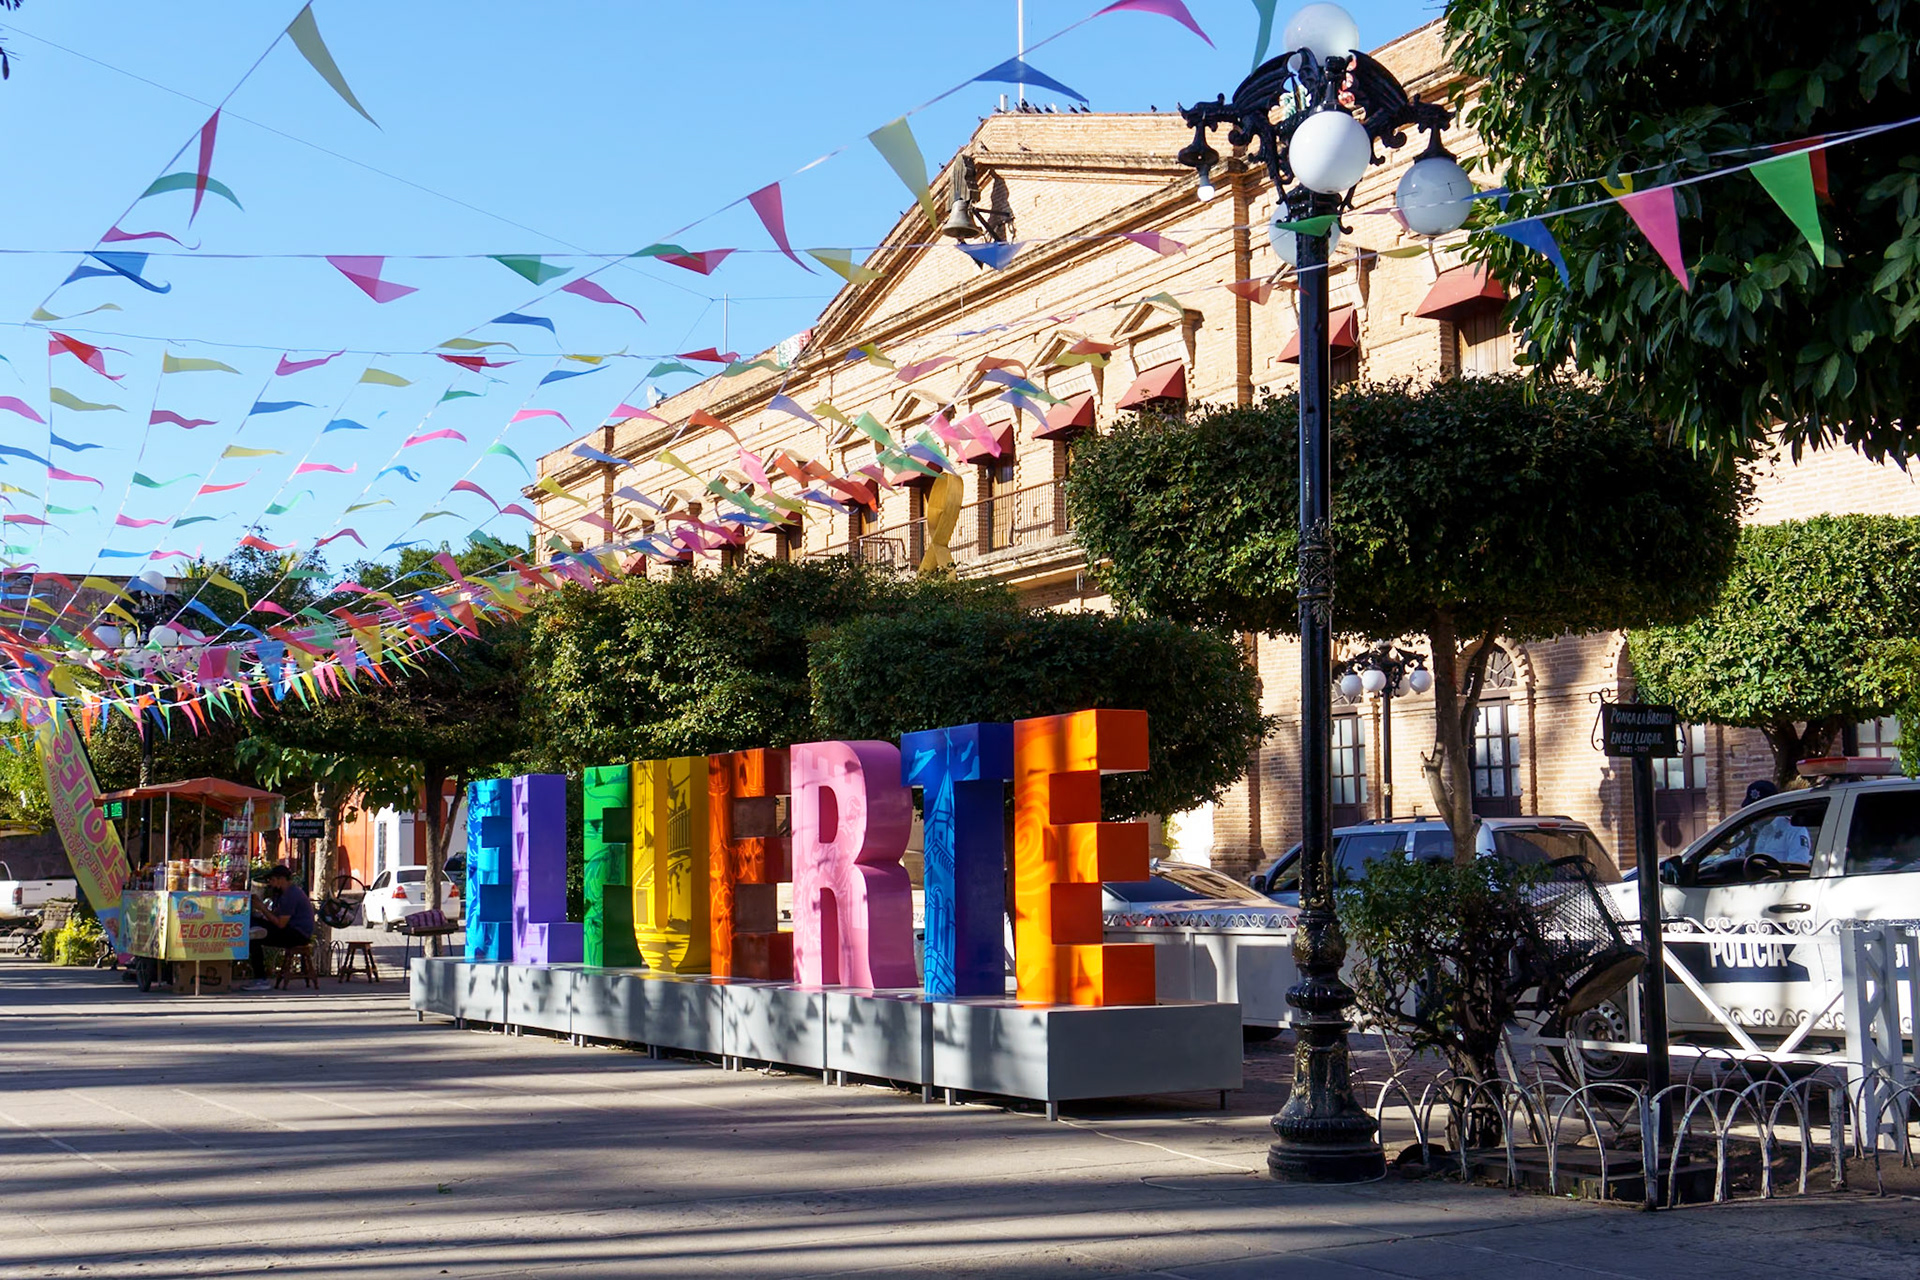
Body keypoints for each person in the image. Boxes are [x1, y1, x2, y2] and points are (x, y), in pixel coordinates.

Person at [248, 864, 314, 981]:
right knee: (254, 926)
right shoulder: (282, 894)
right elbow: (275, 916)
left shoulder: (291, 895)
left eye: (273, 880)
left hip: (297, 934)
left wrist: (262, 908)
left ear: (282, 879)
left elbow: (280, 924)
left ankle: (260, 979)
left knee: (254, 937)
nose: (271, 884)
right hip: (290, 930)